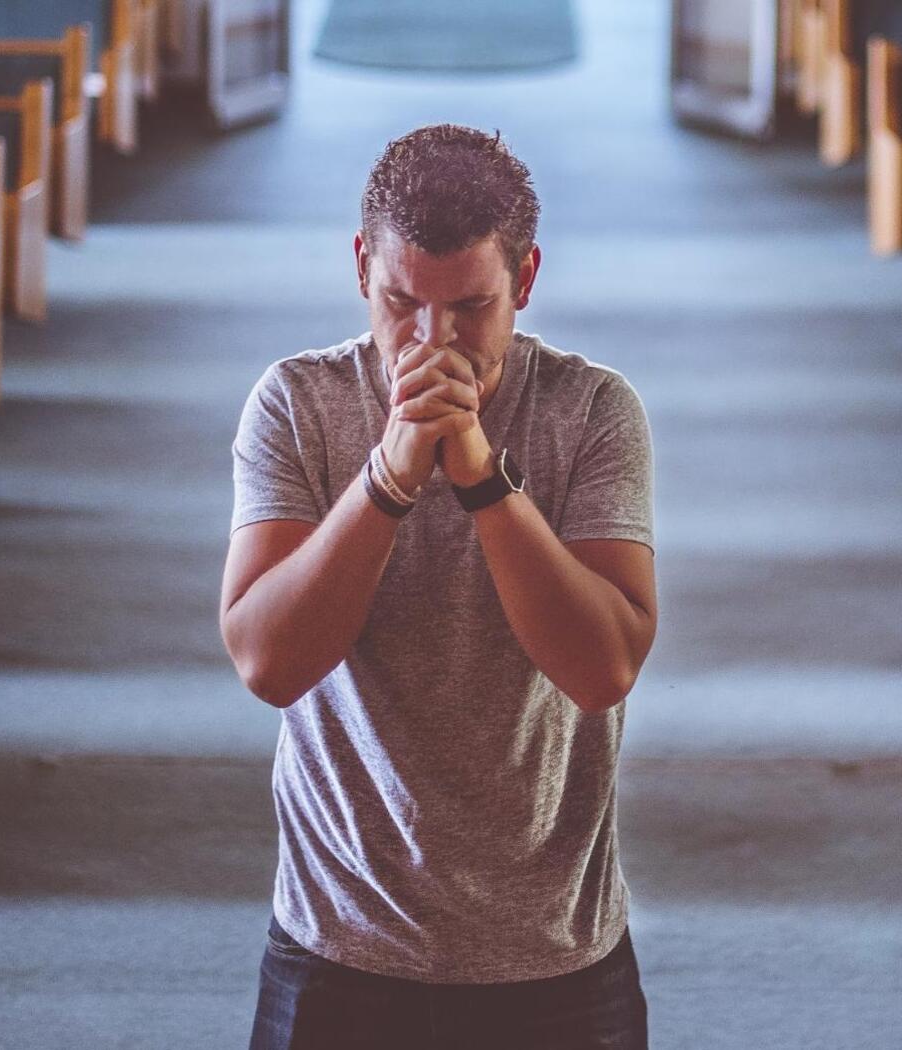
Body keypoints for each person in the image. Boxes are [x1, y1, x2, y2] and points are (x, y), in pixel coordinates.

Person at [221, 123, 658, 1049]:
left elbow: (603, 668)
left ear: (526, 280)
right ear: (360, 269)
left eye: (470, 307)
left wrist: (480, 477)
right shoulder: (298, 405)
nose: (431, 342)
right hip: (338, 942)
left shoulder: (591, 412)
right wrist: (387, 476)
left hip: (555, 956)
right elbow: (268, 663)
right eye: (401, 303)